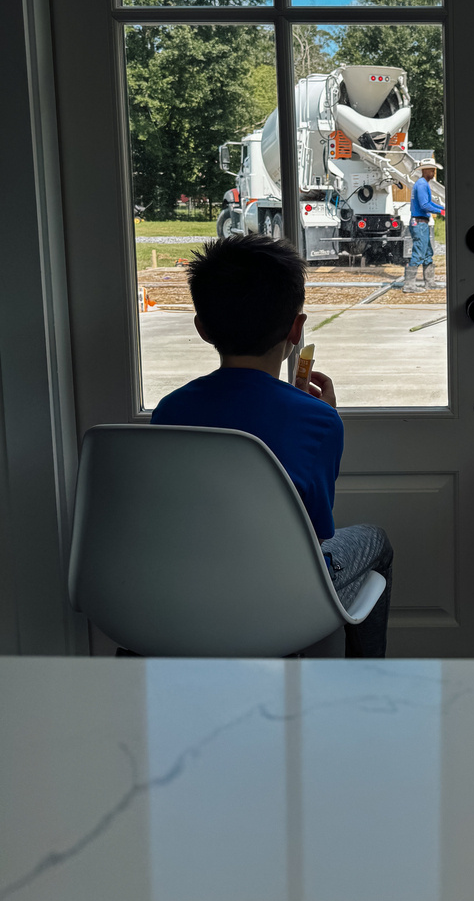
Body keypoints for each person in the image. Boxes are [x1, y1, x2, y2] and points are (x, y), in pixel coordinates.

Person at [151, 234, 393, 658]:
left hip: (188, 584)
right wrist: (327, 415)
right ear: (296, 329)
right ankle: (361, 681)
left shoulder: (170, 409)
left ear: (202, 328)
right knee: (377, 542)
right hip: (282, 592)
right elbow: (318, 534)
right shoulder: (318, 419)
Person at [403, 157, 445, 293]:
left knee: (427, 252)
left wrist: (442, 208)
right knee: (419, 252)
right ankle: (409, 285)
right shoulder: (422, 185)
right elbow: (425, 205)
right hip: (419, 223)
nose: (433, 172)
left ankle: (430, 283)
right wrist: (441, 211)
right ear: (425, 170)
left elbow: (430, 202)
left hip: (421, 222)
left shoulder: (423, 183)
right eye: (431, 170)